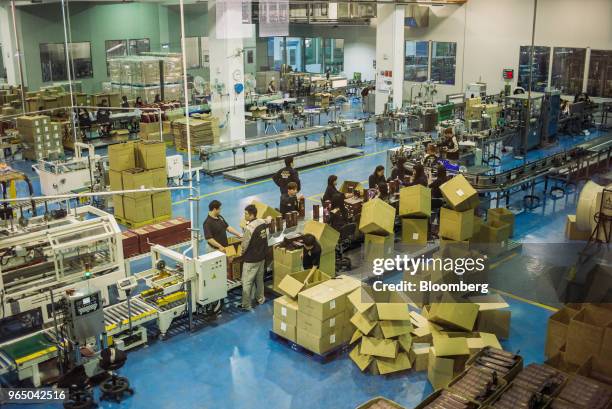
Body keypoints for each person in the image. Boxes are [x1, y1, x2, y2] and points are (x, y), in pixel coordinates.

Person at [240, 204, 269, 311]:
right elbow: (268, 222)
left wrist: (241, 254)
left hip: (251, 259)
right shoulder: (262, 222)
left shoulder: (249, 228)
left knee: (247, 281)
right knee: (259, 279)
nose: (244, 216)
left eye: (246, 214)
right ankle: (260, 298)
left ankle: (246, 304)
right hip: (262, 257)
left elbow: (244, 245)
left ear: (252, 215)